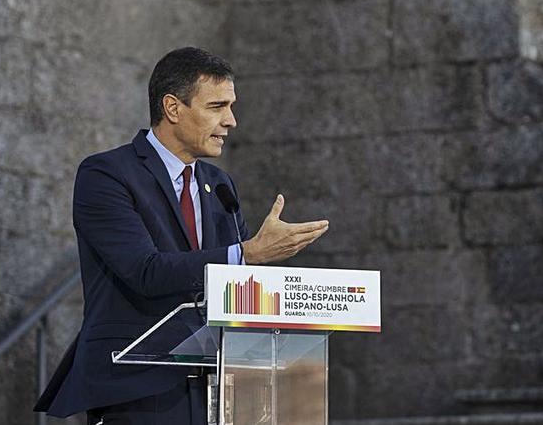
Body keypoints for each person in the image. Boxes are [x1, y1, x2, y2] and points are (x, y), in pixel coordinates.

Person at [35, 47, 330, 424]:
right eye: (217, 107)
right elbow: (145, 271)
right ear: (173, 108)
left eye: (231, 106)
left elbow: (235, 289)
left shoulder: (220, 185)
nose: (231, 121)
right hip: (136, 386)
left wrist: (265, 278)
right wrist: (247, 254)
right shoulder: (106, 174)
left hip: (217, 388)